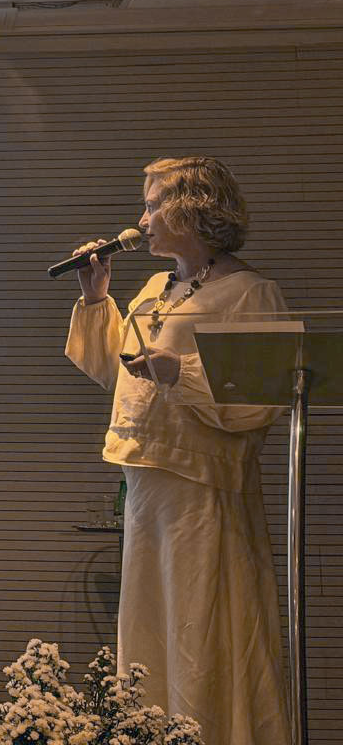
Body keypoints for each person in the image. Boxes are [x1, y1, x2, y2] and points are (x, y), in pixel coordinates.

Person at [64, 156, 290, 745]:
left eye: (153, 205)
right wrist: (97, 299)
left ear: (193, 208)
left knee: (199, 625)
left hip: (202, 490)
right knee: (150, 627)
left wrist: (179, 372)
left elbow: (261, 401)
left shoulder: (250, 292)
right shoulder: (154, 288)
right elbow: (113, 371)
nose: (142, 219)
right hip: (147, 487)